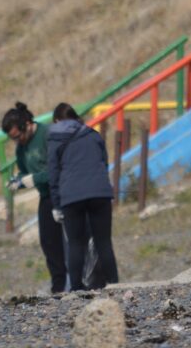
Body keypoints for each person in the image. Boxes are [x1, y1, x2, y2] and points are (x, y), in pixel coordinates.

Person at [47, 102, 119, 290]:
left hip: (71, 196)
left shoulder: (54, 140)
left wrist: (56, 205)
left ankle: (77, 288)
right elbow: (104, 163)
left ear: (56, 120)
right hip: (100, 192)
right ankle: (114, 284)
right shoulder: (92, 134)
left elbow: (53, 175)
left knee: (76, 243)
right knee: (103, 241)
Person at [2, 102, 67, 295]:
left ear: (28, 124)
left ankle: (81, 282)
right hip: (46, 196)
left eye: (18, 136)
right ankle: (59, 287)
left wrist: (34, 178)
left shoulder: (49, 135)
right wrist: (18, 181)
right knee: (48, 242)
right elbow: (25, 171)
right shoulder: (21, 148)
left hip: (65, 192)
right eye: (13, 139)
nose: (17, 141)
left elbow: (58, 169)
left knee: (73, 241)